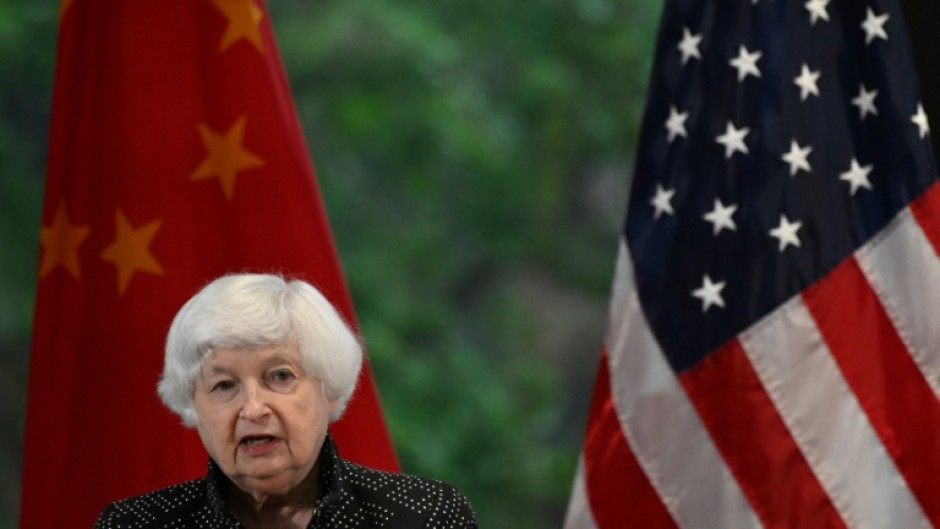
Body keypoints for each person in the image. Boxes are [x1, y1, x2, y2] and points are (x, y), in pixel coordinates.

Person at [94, 273, 478, 529]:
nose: (254, 408)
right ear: (193, 405)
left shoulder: (426, 516)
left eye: (280, 376)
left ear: (328, 388)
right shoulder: (131, 525)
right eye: (225, 385)